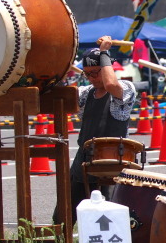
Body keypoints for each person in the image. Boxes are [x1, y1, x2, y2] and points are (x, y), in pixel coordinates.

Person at [53, 36, 137, 226]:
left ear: (107, 67)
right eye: (88, 74)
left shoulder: (125, 88)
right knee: (63, 214)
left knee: (111, 215)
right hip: (85, 158)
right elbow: (62, 96)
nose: (92, 78)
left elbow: (111, 85)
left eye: (96, 73)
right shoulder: (86, 93)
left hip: (114, 160)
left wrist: (105, 53)